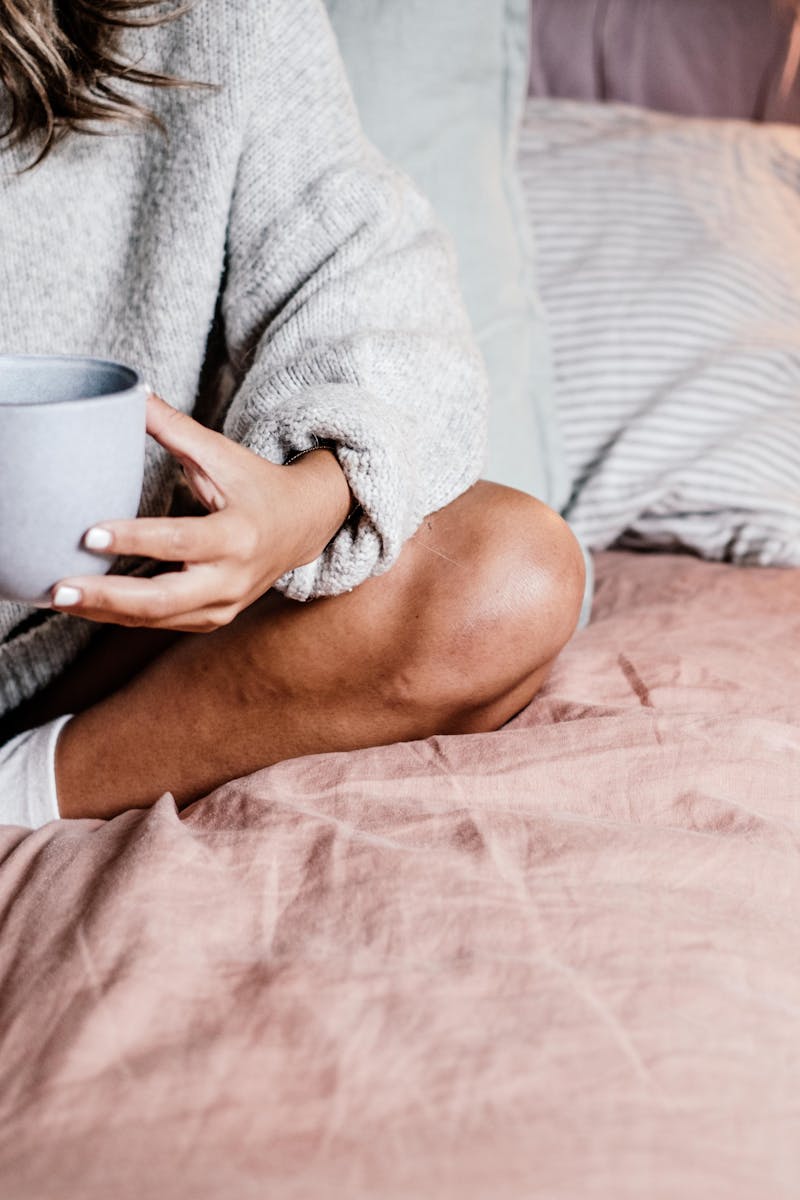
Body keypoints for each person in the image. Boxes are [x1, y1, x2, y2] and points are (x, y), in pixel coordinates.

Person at [0, 0, 585, 827]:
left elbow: (369, 275)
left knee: (508, 577)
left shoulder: (220, 16)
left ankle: (25, 786)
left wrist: (306, 503)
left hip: (102, 630)